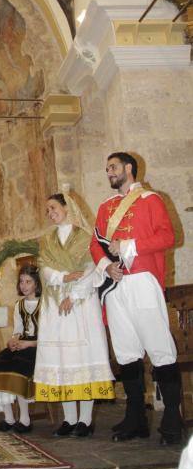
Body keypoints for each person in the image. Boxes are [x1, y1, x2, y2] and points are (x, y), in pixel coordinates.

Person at [90, 151, 181, 444]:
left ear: (129, 168)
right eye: (106, 169)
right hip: (116, 285)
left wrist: (129, 245)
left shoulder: (150, 200)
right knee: (126, 351)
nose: (109, 173)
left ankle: (171, 419)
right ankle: (135, 418)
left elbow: (168, 238)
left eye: (113, 167)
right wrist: (107, 266)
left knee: (159, 348)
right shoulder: (105, 207)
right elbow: (96, 244)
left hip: (143, 280)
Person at [33, 191, 115, 437]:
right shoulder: (46, 239)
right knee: (62, 359)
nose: (50, 213)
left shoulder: (85, 237)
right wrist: (62, 277)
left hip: (80, 304)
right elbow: (42, 266)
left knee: (83, 357)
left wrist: (74, 294)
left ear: (67, 207)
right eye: (47, 210)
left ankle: (86, 420)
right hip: (55, 303)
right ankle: (69, 419)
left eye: (53, 207)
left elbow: (92, 269)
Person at [0, 264, 41, 433]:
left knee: (19, 367)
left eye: (28, 281)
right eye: (21, 282)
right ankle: (9, 418)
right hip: (22, 344)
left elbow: (49, 336)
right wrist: (13, 340)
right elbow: (18, 331)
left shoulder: (45, 304)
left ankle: (25, 420)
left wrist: (28, 344)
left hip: (38, 346)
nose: (24, 285)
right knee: (0, 363)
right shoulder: (19, 305)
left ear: (36, 284)